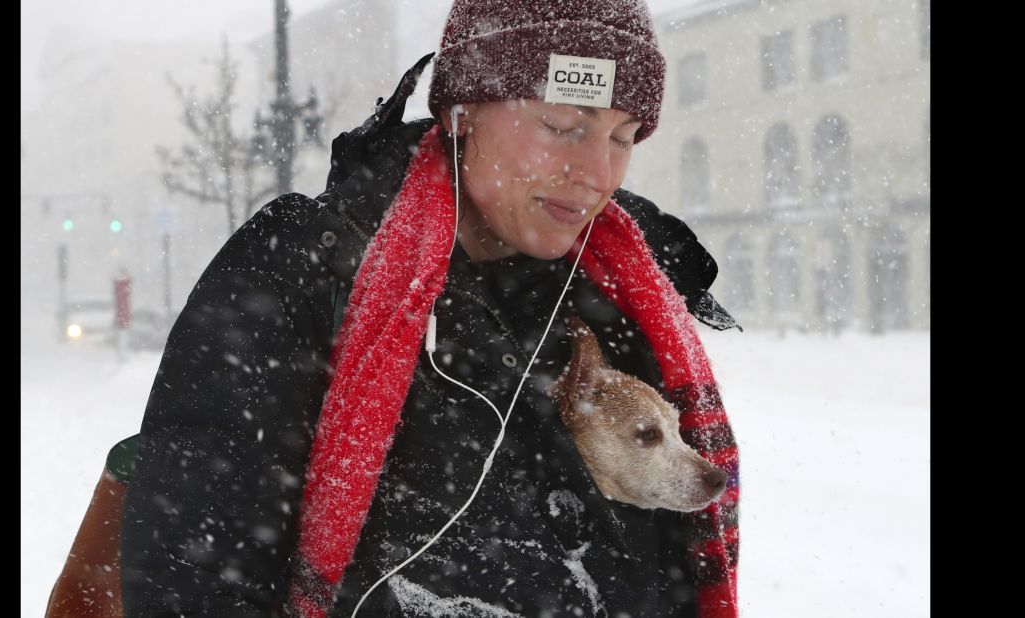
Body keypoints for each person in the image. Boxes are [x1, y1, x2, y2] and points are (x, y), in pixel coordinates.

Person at [120, 1, 742, 616]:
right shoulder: (300, 278)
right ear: (461, 112)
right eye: (562, 127)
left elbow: (666, 573)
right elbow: (194, 585)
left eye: (623, 138)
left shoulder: (627, 296)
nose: (596, 172)